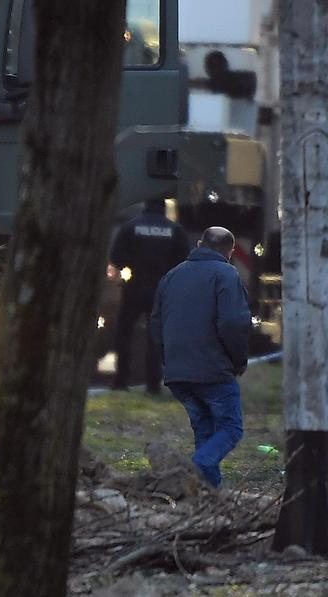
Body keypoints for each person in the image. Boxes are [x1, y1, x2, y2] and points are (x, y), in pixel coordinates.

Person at [150, 226, 251, 488]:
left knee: (205, 433)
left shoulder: (171, 276)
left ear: (199, 244)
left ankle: (207, 497)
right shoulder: (226, 274)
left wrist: (169, 361)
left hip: (178, 373)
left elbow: (157, 325)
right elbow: (233, 323)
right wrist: (238, 361)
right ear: (230, 252)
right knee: (230, 429)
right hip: (213, 371)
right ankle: (192, 472)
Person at [109, 199, 190, 393]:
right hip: (161, 288)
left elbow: (117, 257)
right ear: (163, 208)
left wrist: (131, 264)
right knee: (155, 337)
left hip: (134, 286)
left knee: (124, 333)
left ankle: (121, 381)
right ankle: (153, 384)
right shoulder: (175, 230)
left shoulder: (131, 227)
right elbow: (184, 261)